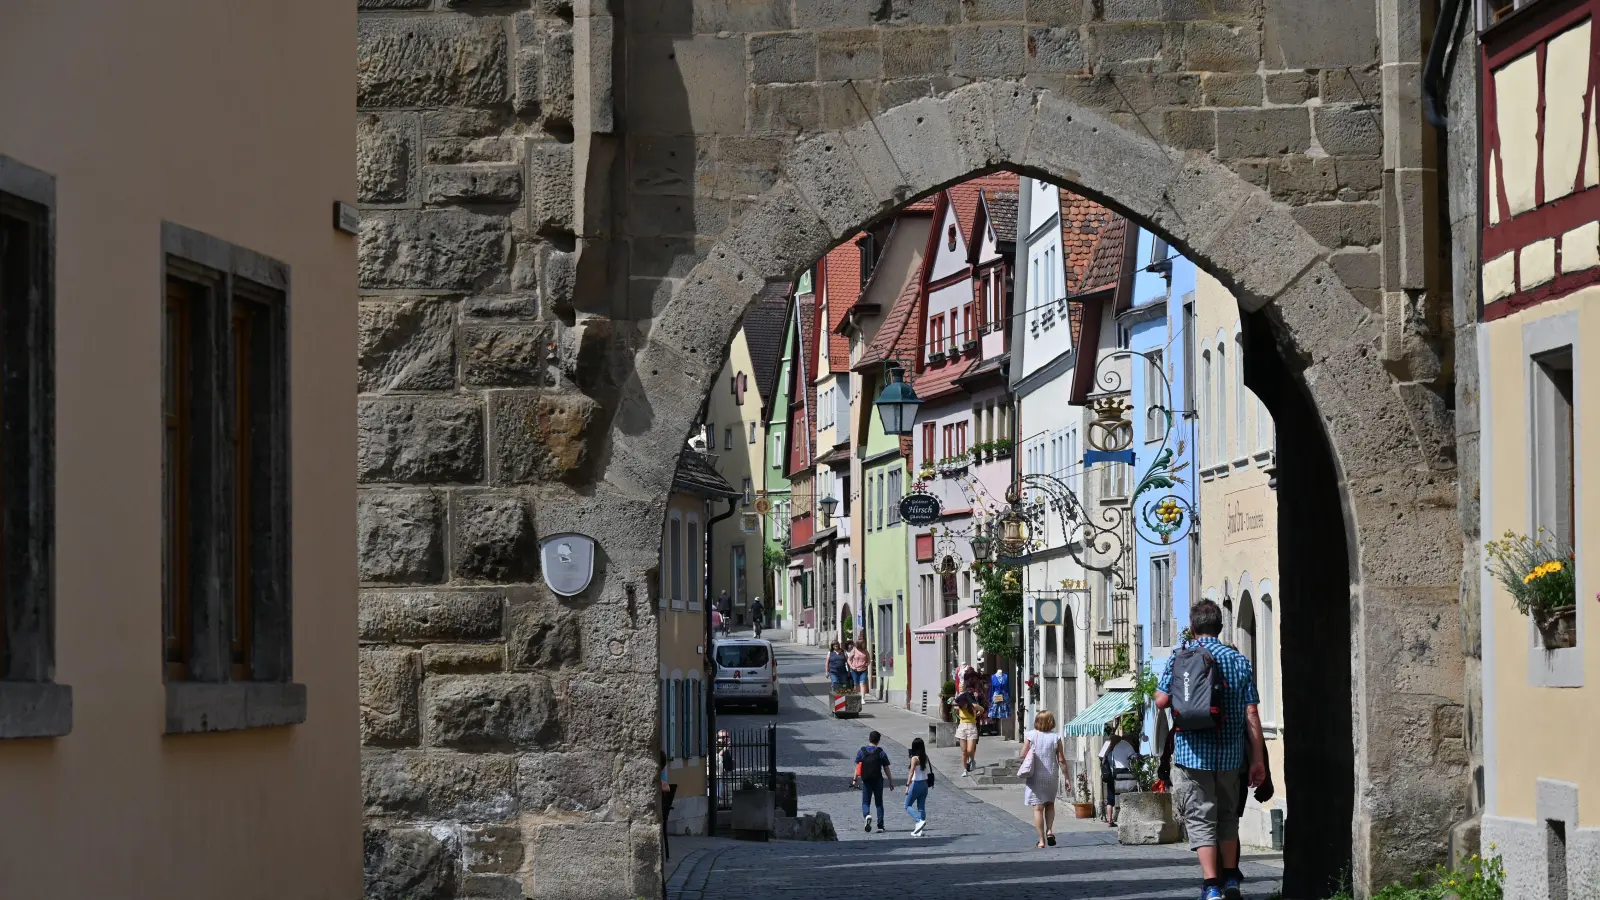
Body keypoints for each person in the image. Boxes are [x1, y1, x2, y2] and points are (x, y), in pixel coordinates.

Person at [1155, 599, 1266, 900]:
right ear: (1220, 627)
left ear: (1192, 627)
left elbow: (1161, 701)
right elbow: (1252, 713)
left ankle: (1211, 885)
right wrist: (1257, 759)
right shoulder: (1239, 660)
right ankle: (1231, 878)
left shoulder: (1180, 657)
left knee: (1201, 818)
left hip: (1192, 754)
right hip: (1230, 754)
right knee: (1228, 816)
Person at [1021, 710, 1068, 848]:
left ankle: (1041, 841)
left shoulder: (1030, 735)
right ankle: (1050, 830)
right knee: (1050, 804)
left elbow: (1022, 754)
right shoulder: (1056, 737)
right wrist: (1067, 778)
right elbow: (1061, 760)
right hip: (1051, 775)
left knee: (1038, 809)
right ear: (1051, 722)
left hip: (1035, 775)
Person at [850, 730, 894, 832]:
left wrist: (854, 779)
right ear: (878, 741)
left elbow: (858, 767)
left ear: (869, 739)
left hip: (866, 780)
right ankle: (880, 826)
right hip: (878, 780)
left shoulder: (862, 751)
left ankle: (867, 815)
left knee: (865, 802)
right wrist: (891, 781)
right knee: (879, 803)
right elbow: (886, 767)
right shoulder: (881, 752)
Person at [1099, 723, 1138, 827]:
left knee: (1110, 798)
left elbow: (1101, 758)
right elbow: (1134, 757)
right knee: (1128, 794)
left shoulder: (1108, 746)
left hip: (1111, 774)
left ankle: (1110, 820)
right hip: (1124, 774)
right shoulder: (1126, 745)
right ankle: (1128, 818)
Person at [903, 737, 933, 836]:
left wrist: (907, 785)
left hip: (916, 783)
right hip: (924, 784)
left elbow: (911, 773)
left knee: (907, 805)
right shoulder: (925, 757)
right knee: (921, 807)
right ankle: (919, 830)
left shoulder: (914, 759)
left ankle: (919, 820)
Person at [953, 682, 984, 776]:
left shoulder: (973, 706)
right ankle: (965, 770)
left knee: (970, 750)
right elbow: (955, 708)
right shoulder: (959, 707)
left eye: (964, 703)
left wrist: (977, 715)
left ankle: (973, 761)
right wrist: (960, 717)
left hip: (971, 727)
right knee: (964, 751)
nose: (963, 705)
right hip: (962, 727)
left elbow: (982, 709)